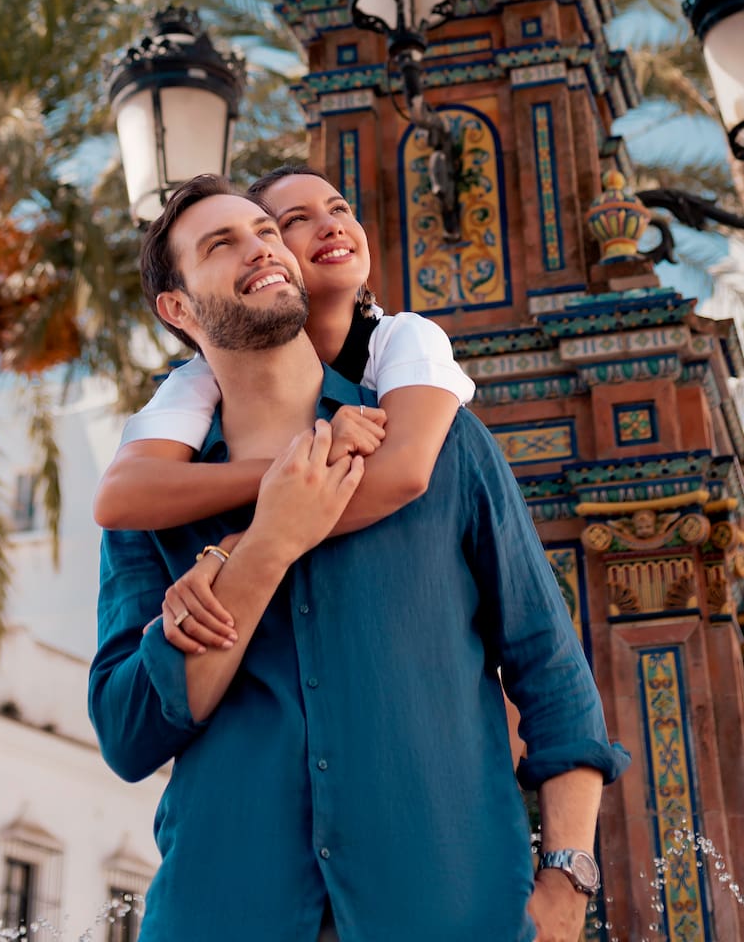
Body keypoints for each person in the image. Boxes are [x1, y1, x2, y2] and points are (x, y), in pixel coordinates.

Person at [88, 174, 628, 942]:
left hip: (453, 916)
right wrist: (265, 543)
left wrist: (568, 885)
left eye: (265, 232)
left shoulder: (439, 443)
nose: (260, 248)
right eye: (222, 243)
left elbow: (553, 674)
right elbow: (127, 734)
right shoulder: (157, 502)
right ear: (177, 309)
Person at [93, 164, 477, 650]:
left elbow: (405, 470)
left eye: (340, 208)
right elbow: (118, 497)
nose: (331, 225)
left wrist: (240, 549)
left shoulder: (403, 339)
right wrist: (297, 465)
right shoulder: (205, 374)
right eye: (294, 219)